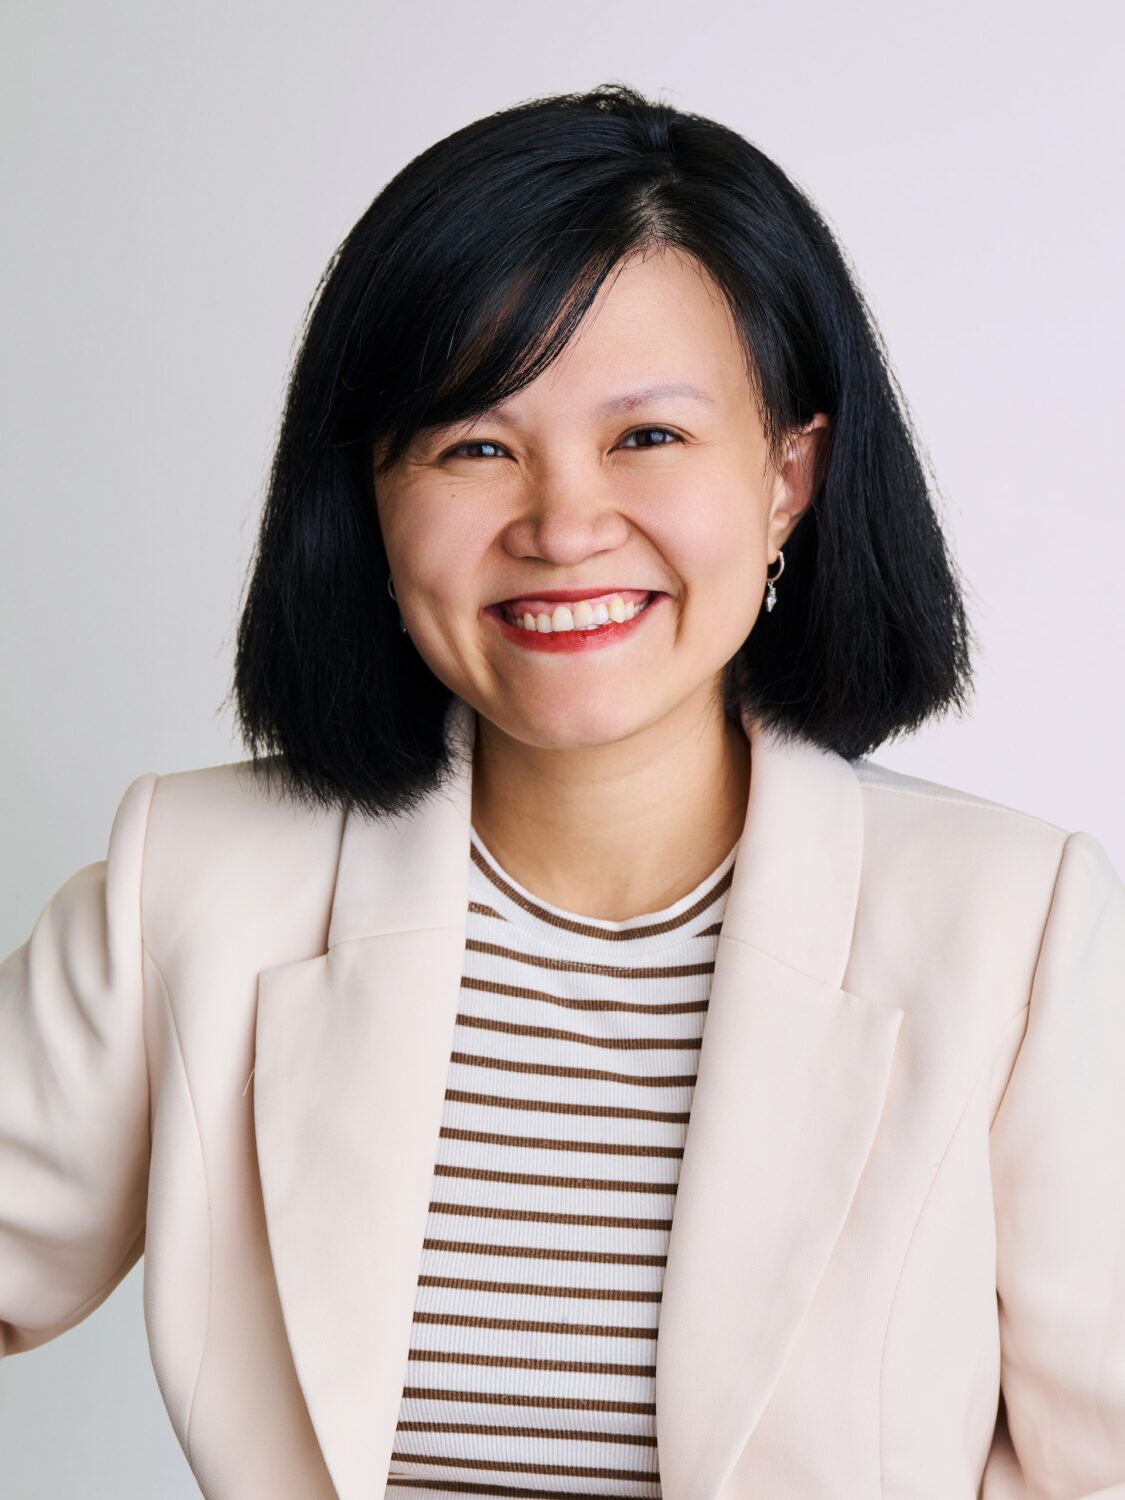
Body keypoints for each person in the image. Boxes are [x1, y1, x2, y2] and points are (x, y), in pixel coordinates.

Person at [1, 81, 1122, 1500]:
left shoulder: (1012, 932)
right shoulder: (196, 889)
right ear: (372, 495)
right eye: (475, 444)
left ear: (787, 478)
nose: (563, 525)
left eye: (645, 437)